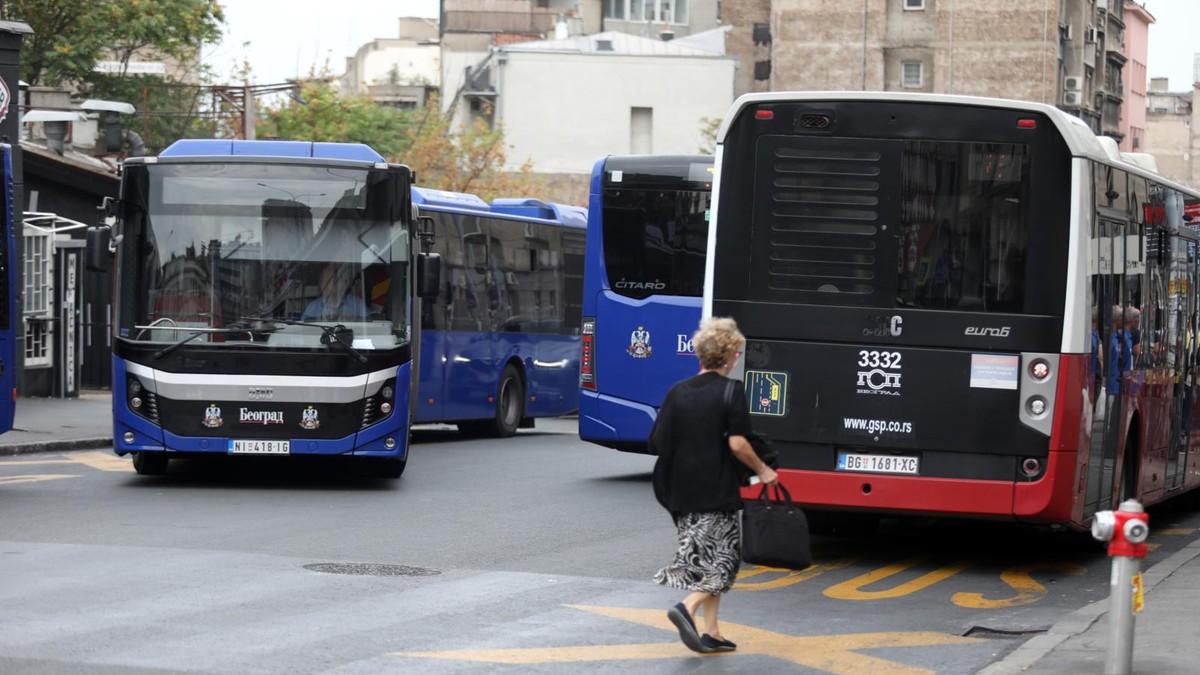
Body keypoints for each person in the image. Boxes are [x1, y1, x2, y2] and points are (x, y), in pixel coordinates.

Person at [650, 317, 779, 654]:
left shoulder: (677, 392)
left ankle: (713, 632)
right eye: (737, 353)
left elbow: (658, 443)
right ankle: (687, 607)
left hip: (680, 492)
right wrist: (763, 470)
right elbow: (738, 444)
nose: (738, 357)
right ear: (730, 356)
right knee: (726, 561)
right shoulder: (731, 391)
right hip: (716, 489)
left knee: (710, 559)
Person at [301, 263, 367, 321]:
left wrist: (354, 318)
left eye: (329, 280)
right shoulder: (313, 307)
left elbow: (370, 325)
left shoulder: (357, 304)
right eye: (323, 281)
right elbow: (304, 330)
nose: (325, 285)